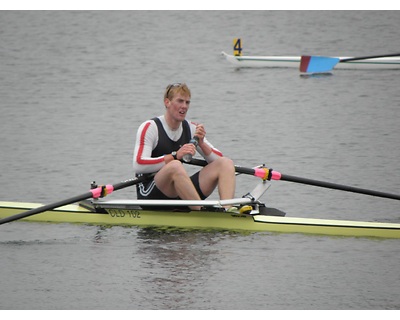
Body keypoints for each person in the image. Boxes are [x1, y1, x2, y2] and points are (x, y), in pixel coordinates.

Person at [132, 83, 236, 211]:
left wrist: (202, 143)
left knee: (226, 163)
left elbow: (219, 160)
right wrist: (175, 156)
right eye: (180, 101)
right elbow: (138, 164)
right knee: (176, 165)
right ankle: (201, 212)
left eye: (187, 102)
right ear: (167, 102)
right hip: (151, 194)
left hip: (179, 193)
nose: (184, 106)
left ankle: (228, 211)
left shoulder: (191, 128)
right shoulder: (150, 127)